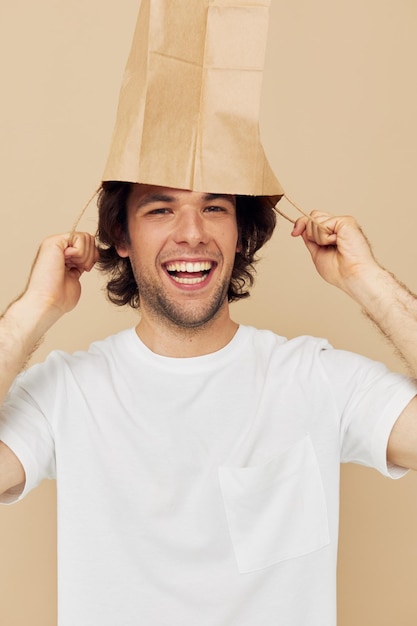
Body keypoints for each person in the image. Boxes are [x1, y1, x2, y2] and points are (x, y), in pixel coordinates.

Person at [0, 181, 416, 626]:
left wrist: (366, 281)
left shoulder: (317, 378)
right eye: (161, 210)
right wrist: (34, 308)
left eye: (214, 208)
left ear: (240, 235)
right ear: (121, 237)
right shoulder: (66, 392)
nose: (192, 233)